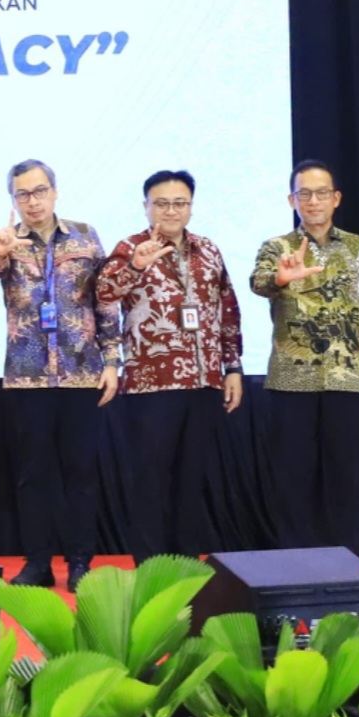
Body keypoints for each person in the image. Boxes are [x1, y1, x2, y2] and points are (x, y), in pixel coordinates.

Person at [0, 160, 113, 590]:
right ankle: (37, 562)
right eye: (22, 194)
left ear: (54, 191)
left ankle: (80, 561)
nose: (32, 201)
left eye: (39, 191)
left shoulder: (86, 236)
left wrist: (113, 361)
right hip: (27, 377)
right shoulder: (5, 240)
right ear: (13, 199)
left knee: (81, 474)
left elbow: (105, 299)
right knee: (33, 475)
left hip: (81, 373)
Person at [96, 171, 245, 561]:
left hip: (204, 381)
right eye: (161, 203)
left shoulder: (208, 249)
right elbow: (104, 293)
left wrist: (233, 367)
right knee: (150, 478)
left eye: (180, 203)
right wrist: (135, 267)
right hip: (152, 385)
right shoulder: (130, 247)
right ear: (146, 206)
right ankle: (150, 565)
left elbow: (227, 309)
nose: (171, 211)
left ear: (191, 206)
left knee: (192, 479)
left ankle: (185, 563)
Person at [251, 160, 359, 554]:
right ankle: (297, 566)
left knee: (345, 479)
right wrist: (281, 278)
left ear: (336, 198)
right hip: (290, 380)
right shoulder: (277, 247)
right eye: (304, 194)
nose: (313, 201)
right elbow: (259, 282)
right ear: (292, 200)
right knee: (293, 479)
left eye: (321, 193)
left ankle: (348, 564)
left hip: (348, 379)